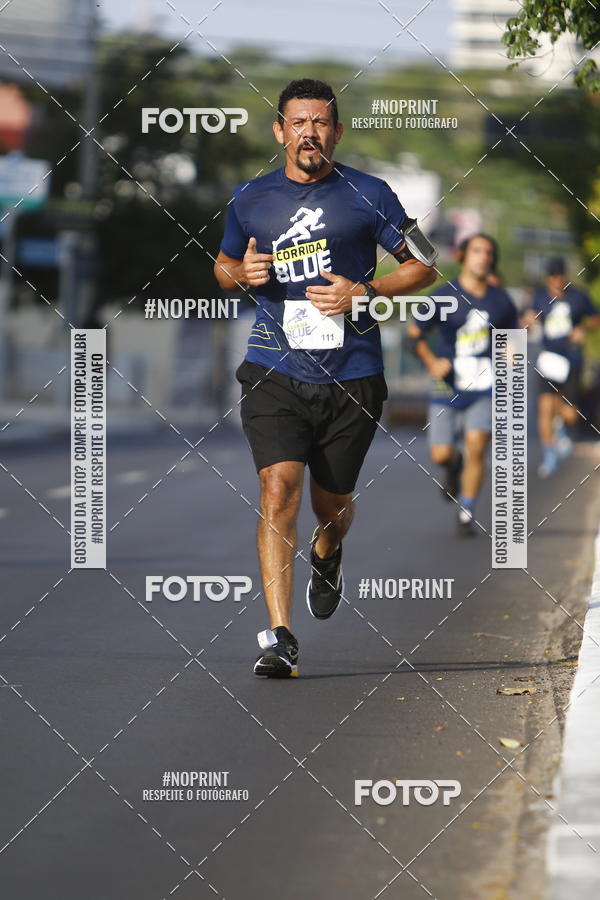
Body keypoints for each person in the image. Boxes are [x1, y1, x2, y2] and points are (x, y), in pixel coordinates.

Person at [213, 78, 436, 678]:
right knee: (277, 490)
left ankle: (328, 550)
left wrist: (364, 290)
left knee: (331, 505)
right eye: (298, 122)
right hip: (273, 370)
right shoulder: (251, 197)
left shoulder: (370, 193)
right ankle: (279, 637)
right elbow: (223, 265)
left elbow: (425, 266)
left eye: (321, 122)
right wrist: (244, 271)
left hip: (352, 375)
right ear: (280, 131)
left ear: (337, 132)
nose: (309, 132)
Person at [408, 234, 518, 536]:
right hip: (447, 385)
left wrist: (511, 358)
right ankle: (453, 468)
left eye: (488, 252)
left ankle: (466, 511)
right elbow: (415, 334)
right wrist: (431, 362)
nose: (482, 257)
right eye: (476, 251)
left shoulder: (501, 300)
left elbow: (511, 338)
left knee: (476, 444)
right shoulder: (444, 296)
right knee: (441, 455)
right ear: (462, 256)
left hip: (486, 387)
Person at [522, 257, 600, 477]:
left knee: (570, 414)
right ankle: (549, 454)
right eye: (553, 276)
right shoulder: (539, 297)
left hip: (572, 361)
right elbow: (526, 319)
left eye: (560, 276)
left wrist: (583, 329)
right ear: (548, 277)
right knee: (545, 408)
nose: (557, 280)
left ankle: (561, 428)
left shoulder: (579, 296)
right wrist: (528, 321)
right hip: (548, 359)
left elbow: (595, 318)